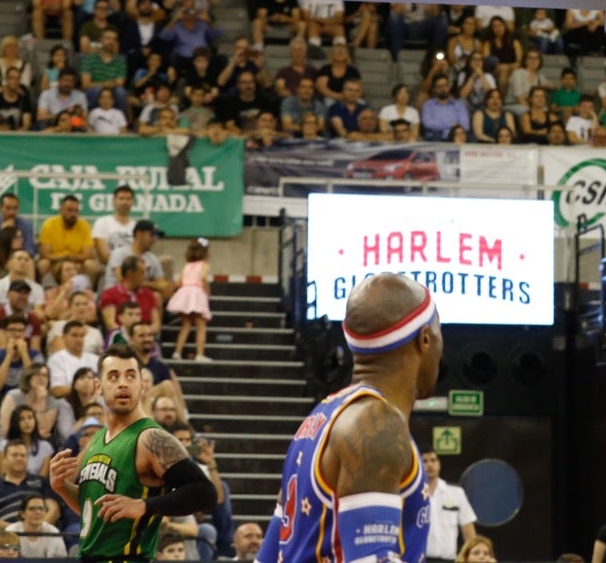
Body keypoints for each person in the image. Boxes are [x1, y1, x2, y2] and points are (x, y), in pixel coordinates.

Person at [254, 274, 440, 563]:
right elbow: (370, 559)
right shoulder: (376, 426)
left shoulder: (320, 417)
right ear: (425, 338)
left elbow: (266, 558)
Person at [47, 341, 218, 561]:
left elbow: (205, 493)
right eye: (114, 376)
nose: (123, 383)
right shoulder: (98, 437)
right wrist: (61, 487)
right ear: (99, 387)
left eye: (130, 376)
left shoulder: (151, 438)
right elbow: (94, 508)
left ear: (141, 385)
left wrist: (144, 506)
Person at [422, 450, 477, 563]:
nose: (429, 465)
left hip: (449, 560)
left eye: (433, 460)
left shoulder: (456, 492)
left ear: (439, 464)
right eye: (425, 461)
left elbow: (469, 533)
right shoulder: (410, 495)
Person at [166, 239, 212, 362]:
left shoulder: (186, 266)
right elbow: (203, 278)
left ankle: (177, 352)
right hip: (196, 294)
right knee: (201, 325)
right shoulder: (204, 265)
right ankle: (200, 354)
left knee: (186, 325)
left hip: (185, 294)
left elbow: (178, 282)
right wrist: (207, 291)